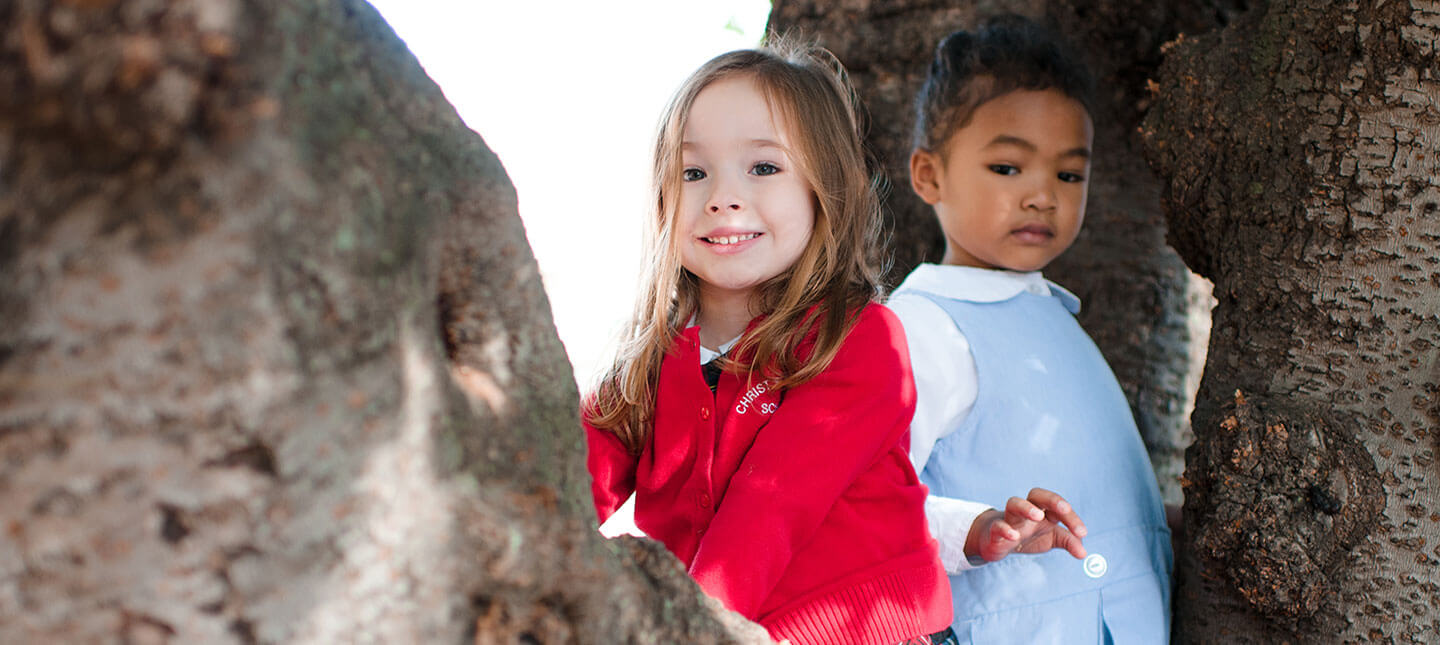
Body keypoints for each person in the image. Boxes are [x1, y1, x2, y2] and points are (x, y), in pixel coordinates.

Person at [582, 43, 958, 645]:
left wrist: (698, 631)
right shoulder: (648, 362)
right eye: (692, 172)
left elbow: (772, 508)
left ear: (823, 190)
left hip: (864, 631)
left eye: (763, 168)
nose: (721, 197)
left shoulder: (860, 342)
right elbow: (568, 478)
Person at [887, 15, 1174, 644]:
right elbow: (868, 499)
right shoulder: (925, 326)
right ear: (929, 174)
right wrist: (980, 525)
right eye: (1008, 168)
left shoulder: (1051, 316)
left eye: (1069, 175)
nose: (1043, 195)